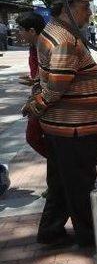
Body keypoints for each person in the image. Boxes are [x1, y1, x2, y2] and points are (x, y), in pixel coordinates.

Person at [21, 0, 97, 248]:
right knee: (81, 184)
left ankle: (50, 230)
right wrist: (36, 104)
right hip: (74, 128)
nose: (89, 13)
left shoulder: (57, 32)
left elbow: (50, 79)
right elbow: (57, 84)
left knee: (61, 183)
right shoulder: (64, 39)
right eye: (84, 7)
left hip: (64, 127)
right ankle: (90, 236)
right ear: (67, 8)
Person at [16, 12, 47, 158]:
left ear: (32, 31)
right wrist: (33, 80)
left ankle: (62, 163)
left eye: (21, 29)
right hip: (39, 94)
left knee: (32, 136)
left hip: (46, 98)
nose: (19, 33)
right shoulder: (34, 47)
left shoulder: (46, 47)